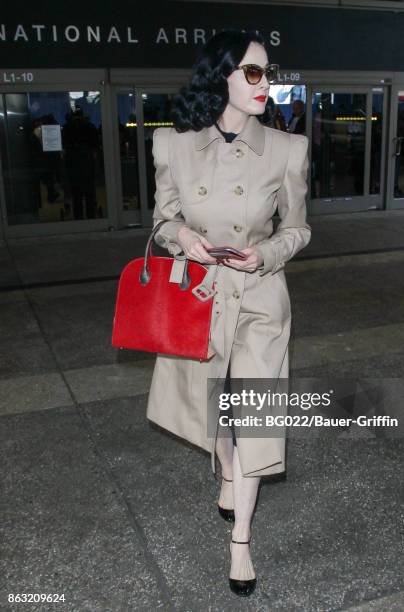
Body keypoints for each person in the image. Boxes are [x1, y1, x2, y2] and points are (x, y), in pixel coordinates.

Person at [146, 29, 311, 597]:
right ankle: (224, 465)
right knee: (218, 415)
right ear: (224, 77)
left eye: (269, 72)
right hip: (200, 298)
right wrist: (182, 238)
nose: (267, 83)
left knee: (254, 422)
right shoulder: (173, 145)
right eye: (255, 72)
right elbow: (161, 219)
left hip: (261, 300)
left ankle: (240, 540)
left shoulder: (289, 150)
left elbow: (298, 228)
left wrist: (264, 253)